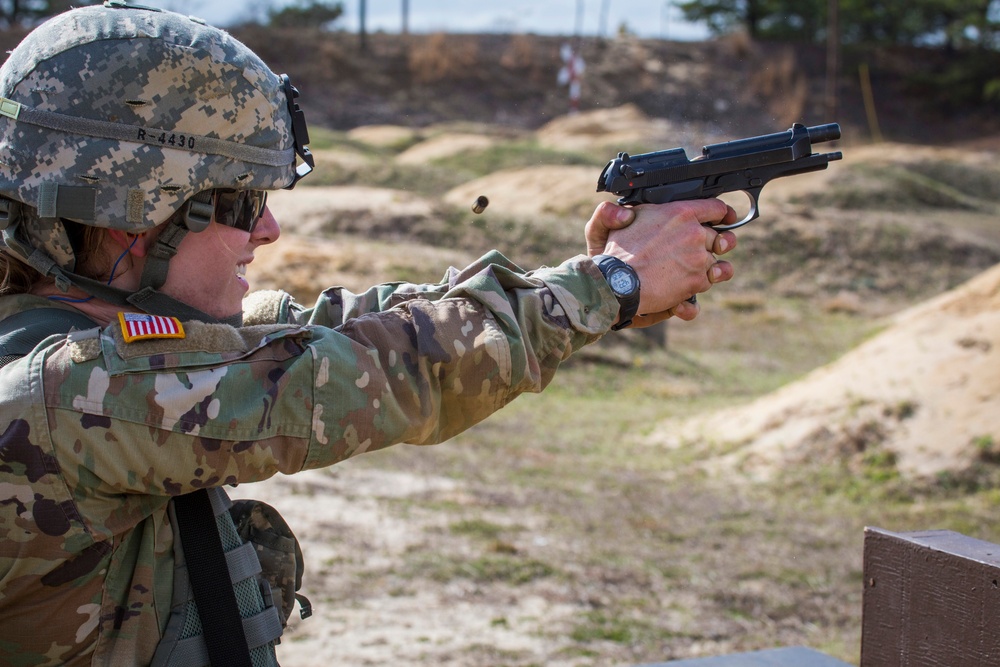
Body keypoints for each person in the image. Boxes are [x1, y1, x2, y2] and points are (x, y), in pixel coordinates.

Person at [0, 4, 737, 666]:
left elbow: (334, 327)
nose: (268, 228)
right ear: (134, 212)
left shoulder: (78, 339)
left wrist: (591, 280)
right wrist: (611, 287)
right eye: (241, 199)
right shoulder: (64, 398)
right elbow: (375, 369)